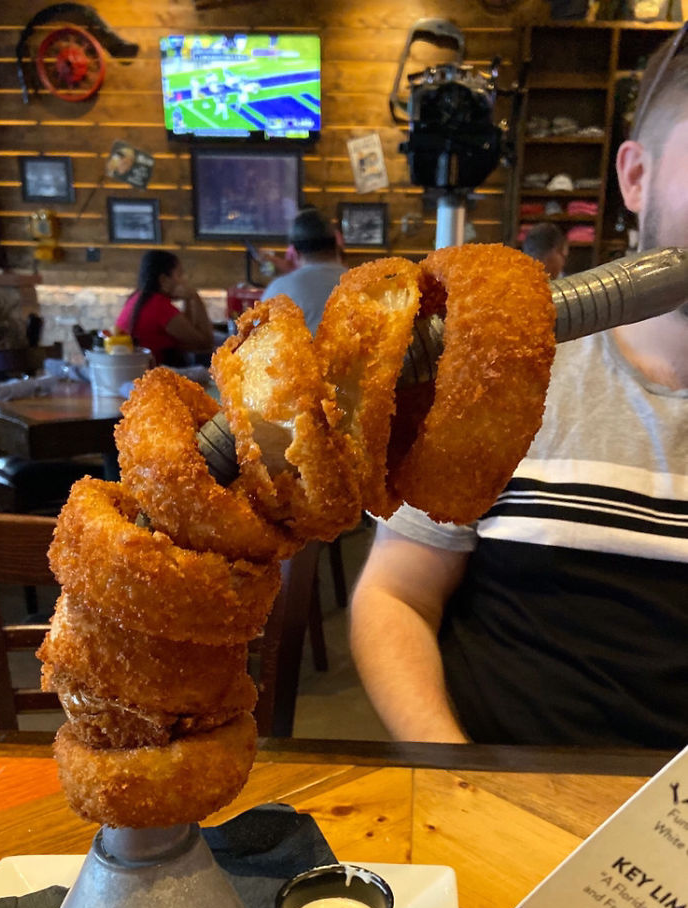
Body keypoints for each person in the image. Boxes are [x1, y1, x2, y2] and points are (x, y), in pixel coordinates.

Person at [349, 24, 688, 751]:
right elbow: (396, 595)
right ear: (636, 178)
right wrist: (456, 775)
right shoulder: (510, 375)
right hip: (493, 790)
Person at [115, 250, 214, 365]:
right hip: (153, 372)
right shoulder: (159, 306)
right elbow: (206, 343)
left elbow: (188, 334)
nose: (184, 280)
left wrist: (187, 299)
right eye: (179, 275)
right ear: (164, 280)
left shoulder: (137, 298)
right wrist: (194, 296)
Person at [260, 208, 347, 335]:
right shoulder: (362, 286)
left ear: (296, 252)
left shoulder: (279, 289)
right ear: (336, 247)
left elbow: (258, 337)